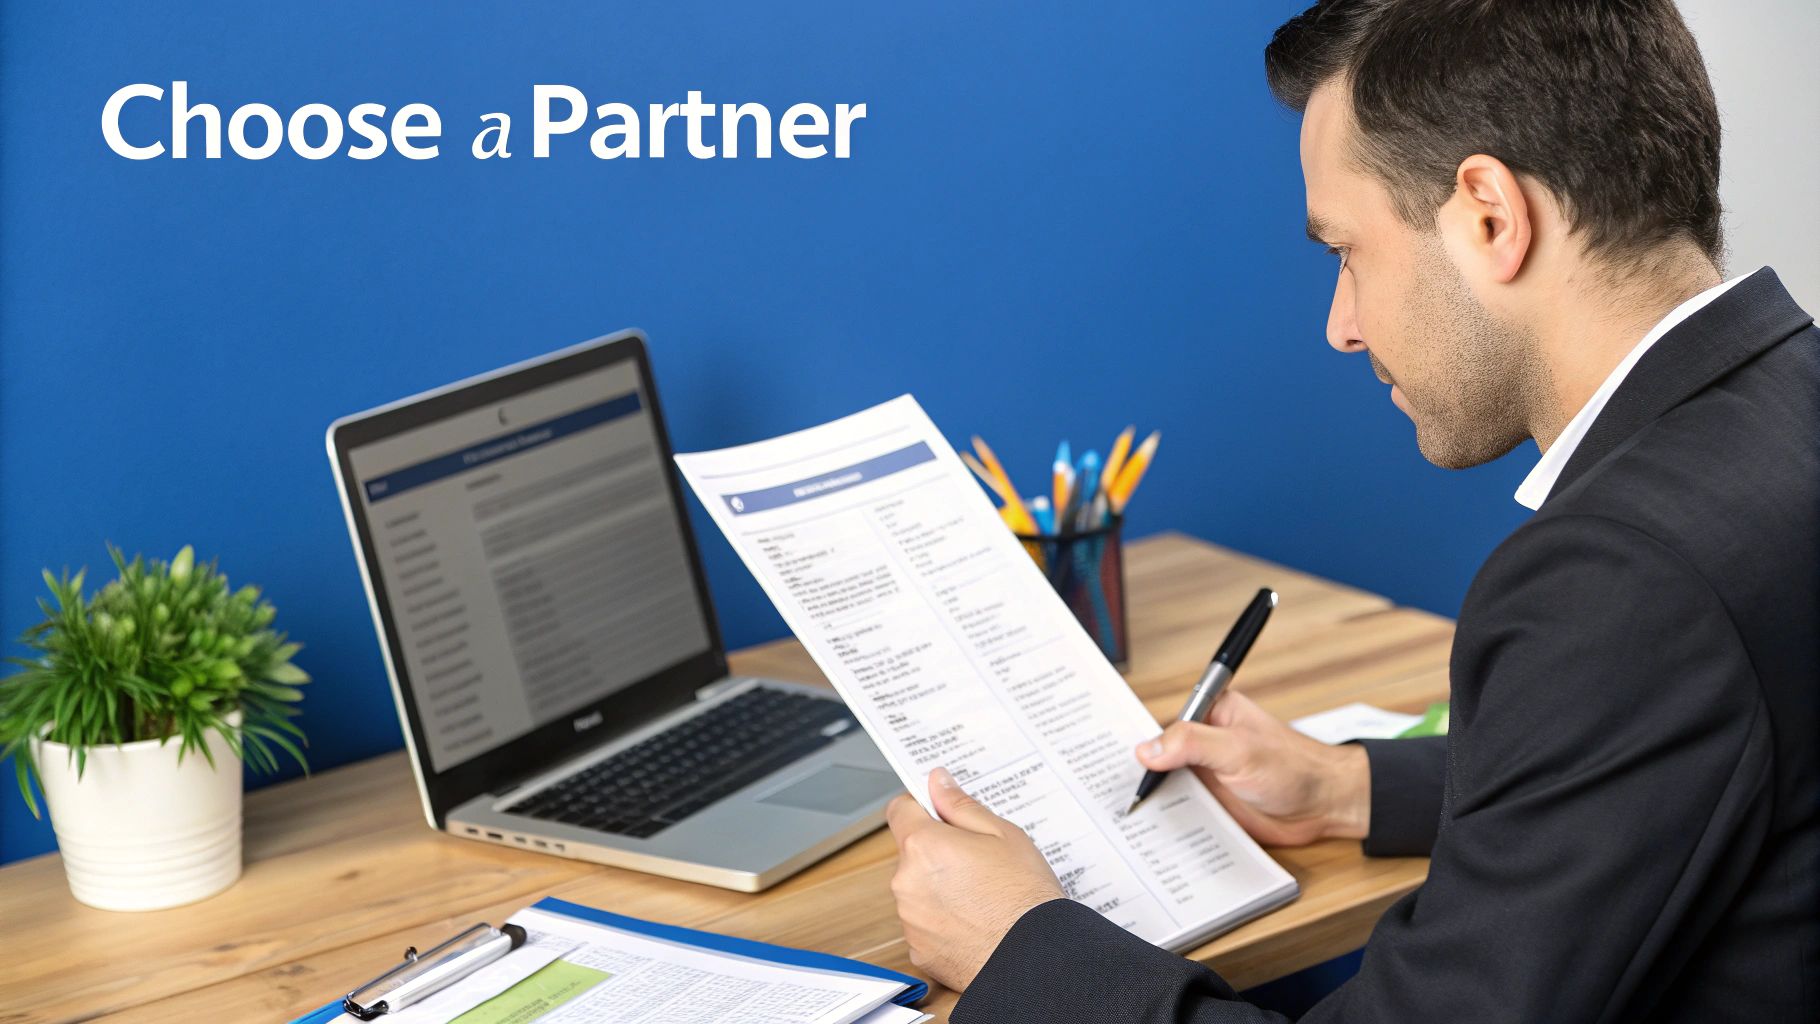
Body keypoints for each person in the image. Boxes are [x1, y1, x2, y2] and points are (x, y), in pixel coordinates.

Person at [882, 1, 1820, 1020]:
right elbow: (1675, 752)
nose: (1339, 326)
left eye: (1345, 251)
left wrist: (1024, 949)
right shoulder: (1786, 407)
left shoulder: (1622, 575)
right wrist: (1350, 789)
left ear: (1488, 218)